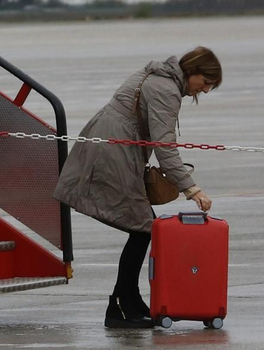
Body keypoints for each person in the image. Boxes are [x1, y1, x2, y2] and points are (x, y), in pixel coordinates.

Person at [53, 47, 221, 329]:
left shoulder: (158, 75)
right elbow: (165, 147)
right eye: (205, 82)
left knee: (143, 228)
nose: (204, 90)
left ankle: (130, 301)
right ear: (192, 71)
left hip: (109, 144)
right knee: (144, 227)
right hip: (113, 152)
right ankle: (120, 305)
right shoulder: (166, 90)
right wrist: (191, 189)